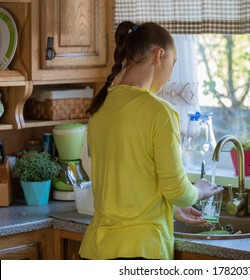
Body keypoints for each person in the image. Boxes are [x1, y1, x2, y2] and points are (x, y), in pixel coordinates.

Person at [79, 21, 222, 260]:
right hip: (141, 251)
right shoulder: (160, 112)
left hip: (96, 249)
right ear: (160, 55)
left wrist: (172, 209)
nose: (170, 76)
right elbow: (177, 190)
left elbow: (127, 182)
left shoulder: (101, 107)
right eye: (172, 64)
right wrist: (199, 190)